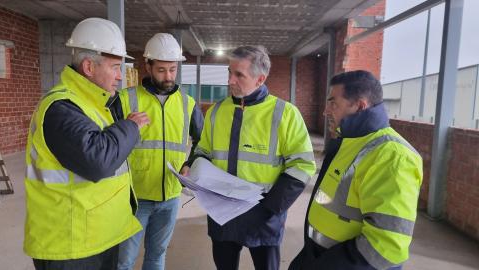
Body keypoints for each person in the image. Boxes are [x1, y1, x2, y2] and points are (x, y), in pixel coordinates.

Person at [23, 17, 150, 270]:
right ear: (89, 67)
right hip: (70, 245)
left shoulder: (94, 102)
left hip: (96, 236)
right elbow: (98, 161)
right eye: (115, 67)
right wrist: (130, 126)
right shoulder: (62, 108)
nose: (119, 77)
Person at [181, 45, 317, 270]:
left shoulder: (285, 114)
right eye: (229, 72)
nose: (230, 81)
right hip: (221, 214)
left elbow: (302, 166)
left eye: (239, 75)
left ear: (260, 79)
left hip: (263, 215)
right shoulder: (216, 111)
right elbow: (203, 151)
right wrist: (190, 165)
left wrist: (271, 208)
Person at [289, 70, 423, 270]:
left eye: (333, 103)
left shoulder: (392, 156)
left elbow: (385, 246)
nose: (326, 111)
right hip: (318, 255)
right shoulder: (348, 142)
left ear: (360, 106)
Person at [117, 33, 204, 270]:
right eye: (162, 70)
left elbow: (202, 142)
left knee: (157, 255)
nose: (168, 76)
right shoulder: (126, 99)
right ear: (148, 66)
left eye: (173, 70)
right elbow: (109, 143)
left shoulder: (188, 104)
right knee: (123, 259)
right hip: (135, 197)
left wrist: (190, 162)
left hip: (171, 196)